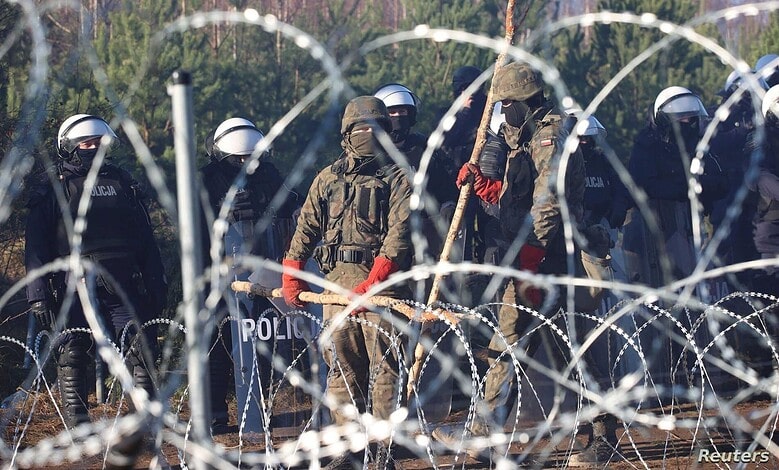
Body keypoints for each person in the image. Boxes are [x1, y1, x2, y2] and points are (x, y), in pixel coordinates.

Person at [432, 62, 622, 465]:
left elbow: (548, 204)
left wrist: (530, 262)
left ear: (525, 102)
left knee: (552, 344)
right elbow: (520, 198)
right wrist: (486, 188)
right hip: (532, 256)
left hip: (550, 258)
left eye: (506, 105)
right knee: (531, 343)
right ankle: (487, 434)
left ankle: (600, 434)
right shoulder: (526, 139)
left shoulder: (550, 136)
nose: (503, 113)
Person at [281, 96, 412, 469]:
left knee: (385, 370)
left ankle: (383, 451)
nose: (370, 135)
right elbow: (307, 226)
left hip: (383, 293)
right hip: (336, 290)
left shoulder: (399, 177)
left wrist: (373, 283)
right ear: (347, 133)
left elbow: (399, 236)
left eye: (377, 128)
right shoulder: (328, 177)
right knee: (341, 371)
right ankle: (349, 449)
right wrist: (292, 271)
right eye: (362, 128)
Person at [25, 114, 167, 428]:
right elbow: (35, 247)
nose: (95, 148)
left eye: (99, 142)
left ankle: (144, 423)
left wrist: (156, 280)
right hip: (73, 283)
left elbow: (145, 238)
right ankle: (78, 427)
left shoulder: (122, 182)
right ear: (70, 147)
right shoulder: (53, 189)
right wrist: (38, 295)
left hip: (123, 280)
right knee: (73, 350)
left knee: (140, 346)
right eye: (87, 144)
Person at [199, 117, 298, 433]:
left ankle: (258, 408)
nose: (246, 163)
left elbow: (292, 203)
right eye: (239, 158)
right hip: (218, 273)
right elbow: (194, 227)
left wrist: (280, 208)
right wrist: (223, 215)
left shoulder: (267, 174)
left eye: (251, 157)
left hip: (262, 272)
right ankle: (215, 413)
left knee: (261, 343)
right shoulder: (206, 180)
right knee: (217, 344)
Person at [622, 86, 728, 288]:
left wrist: (702, 185)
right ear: (665, 119)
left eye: (690, 118)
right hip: (656, 226)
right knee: (663, 284)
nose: (687, 123)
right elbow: (644, 184)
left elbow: (721, 180)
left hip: (689, 223)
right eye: (681, 118)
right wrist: (684, 186)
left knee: (692, 282)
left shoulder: (697, 144)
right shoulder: (647, 145)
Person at [373, 83, 457, 266]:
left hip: (423, 238)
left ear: (410, 115)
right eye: (391, 113)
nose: (397, 117)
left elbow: (447, 189)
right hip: (380, 239)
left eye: (402, 112)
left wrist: (447, 209)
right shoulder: (370, 153)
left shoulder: (426, 150)